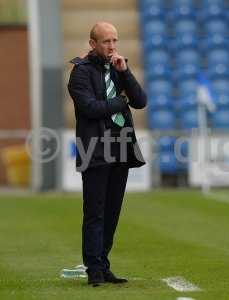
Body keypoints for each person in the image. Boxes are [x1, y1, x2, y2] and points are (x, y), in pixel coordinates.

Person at [67, 21, 147, 286]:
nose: (112, 46)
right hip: (95, 148)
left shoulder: (118, 68)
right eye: (106, 42)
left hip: (121, 145)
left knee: (112, 212)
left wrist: (125, 74)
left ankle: (104, 264)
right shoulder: (80, 73)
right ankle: (94, 270)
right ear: (93, 44)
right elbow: (90, 108)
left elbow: (140, 101)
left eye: (115, 40)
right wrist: (119, 101)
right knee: (95, 212)